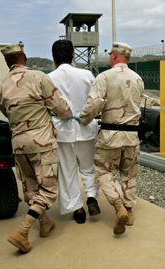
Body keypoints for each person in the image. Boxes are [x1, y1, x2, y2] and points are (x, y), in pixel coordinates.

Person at [0, 42, 73, 252]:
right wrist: (66, 115)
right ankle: (22, 231)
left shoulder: (1, 85)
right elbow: (61, 108)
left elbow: (6, 112)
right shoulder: (39, 77)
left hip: (18, 144)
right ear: (25, 57)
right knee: (48, 190)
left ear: (6, 61)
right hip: (41, 142)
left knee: (31, 189)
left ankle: (45, 223)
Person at [76, 42, 144, 234]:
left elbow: (94, 104)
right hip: (132, 136)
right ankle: (129, 211)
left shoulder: (105, 77)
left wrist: (83, 119)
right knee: (129, 173)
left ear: (114, 56)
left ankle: (118, 205)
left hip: (110, 136)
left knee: (103, 170)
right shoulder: (138, 79)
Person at [48, 39, 100, 224]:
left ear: (53, 57)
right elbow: (96, 100)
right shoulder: (87, 74)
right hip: (86, 127)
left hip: (63, 131)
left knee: (68, 171)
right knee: (88, 167)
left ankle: (78, 209)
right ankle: (92, 197)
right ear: (72, 55)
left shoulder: (49, 78)